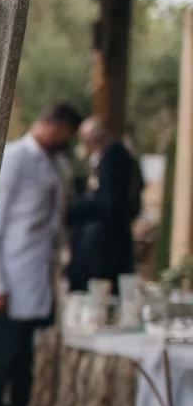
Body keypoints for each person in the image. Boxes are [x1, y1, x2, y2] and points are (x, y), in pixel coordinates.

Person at [0, 102, 81, 406]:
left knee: (26, 360)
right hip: (11, 276)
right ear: (54, 126)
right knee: (5, 357)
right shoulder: (15, 158)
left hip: (40, 276)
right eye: (66, 133)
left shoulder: (55, 164)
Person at [67, 116, 143, 292]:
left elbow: (110, 202)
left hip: (105, 242)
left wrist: (72, 211)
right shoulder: (113, 156)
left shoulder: (114, 158)